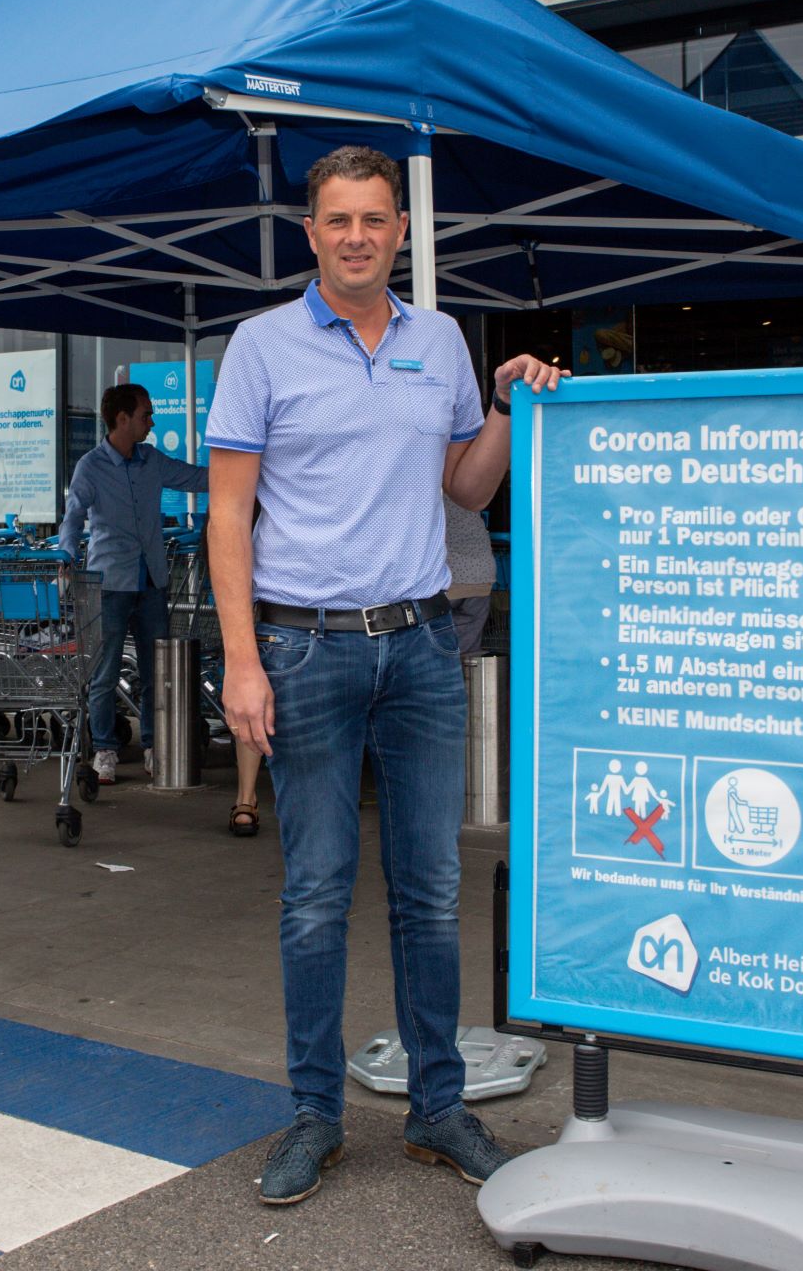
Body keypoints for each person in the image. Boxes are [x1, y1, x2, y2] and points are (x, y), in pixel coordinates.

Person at [206, 144, 562, 1206]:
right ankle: (315, 1115)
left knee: (431, 893)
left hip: (421, 645)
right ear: (308, 234)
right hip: (302, 646)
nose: (355, 236)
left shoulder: (440, 339)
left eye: (374, 219)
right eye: (337, 220)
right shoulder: (261, 346)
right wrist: (238, 660)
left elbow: (463, 486)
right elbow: (228, 514)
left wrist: (505, 410)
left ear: (399, 231)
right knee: (314, 895)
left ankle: (437, 1110)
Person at [57, 381, 210, 786]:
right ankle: (104, 749)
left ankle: (154, 746)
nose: (152, 421)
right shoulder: (91, 466)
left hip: (152, 581)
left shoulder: (151, 460)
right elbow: (73, 515)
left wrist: (245, 469)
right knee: (104, 671)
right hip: (110, 583)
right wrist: (66, 554)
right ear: (122, 418)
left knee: (157, 670)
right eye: (146, 414)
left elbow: (196, 478)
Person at [441, 499, 496, 656]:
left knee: (435, 645)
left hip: (445, 576)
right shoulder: (466, 488)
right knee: (467, 652)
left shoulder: (429, 488)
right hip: (481, 575)